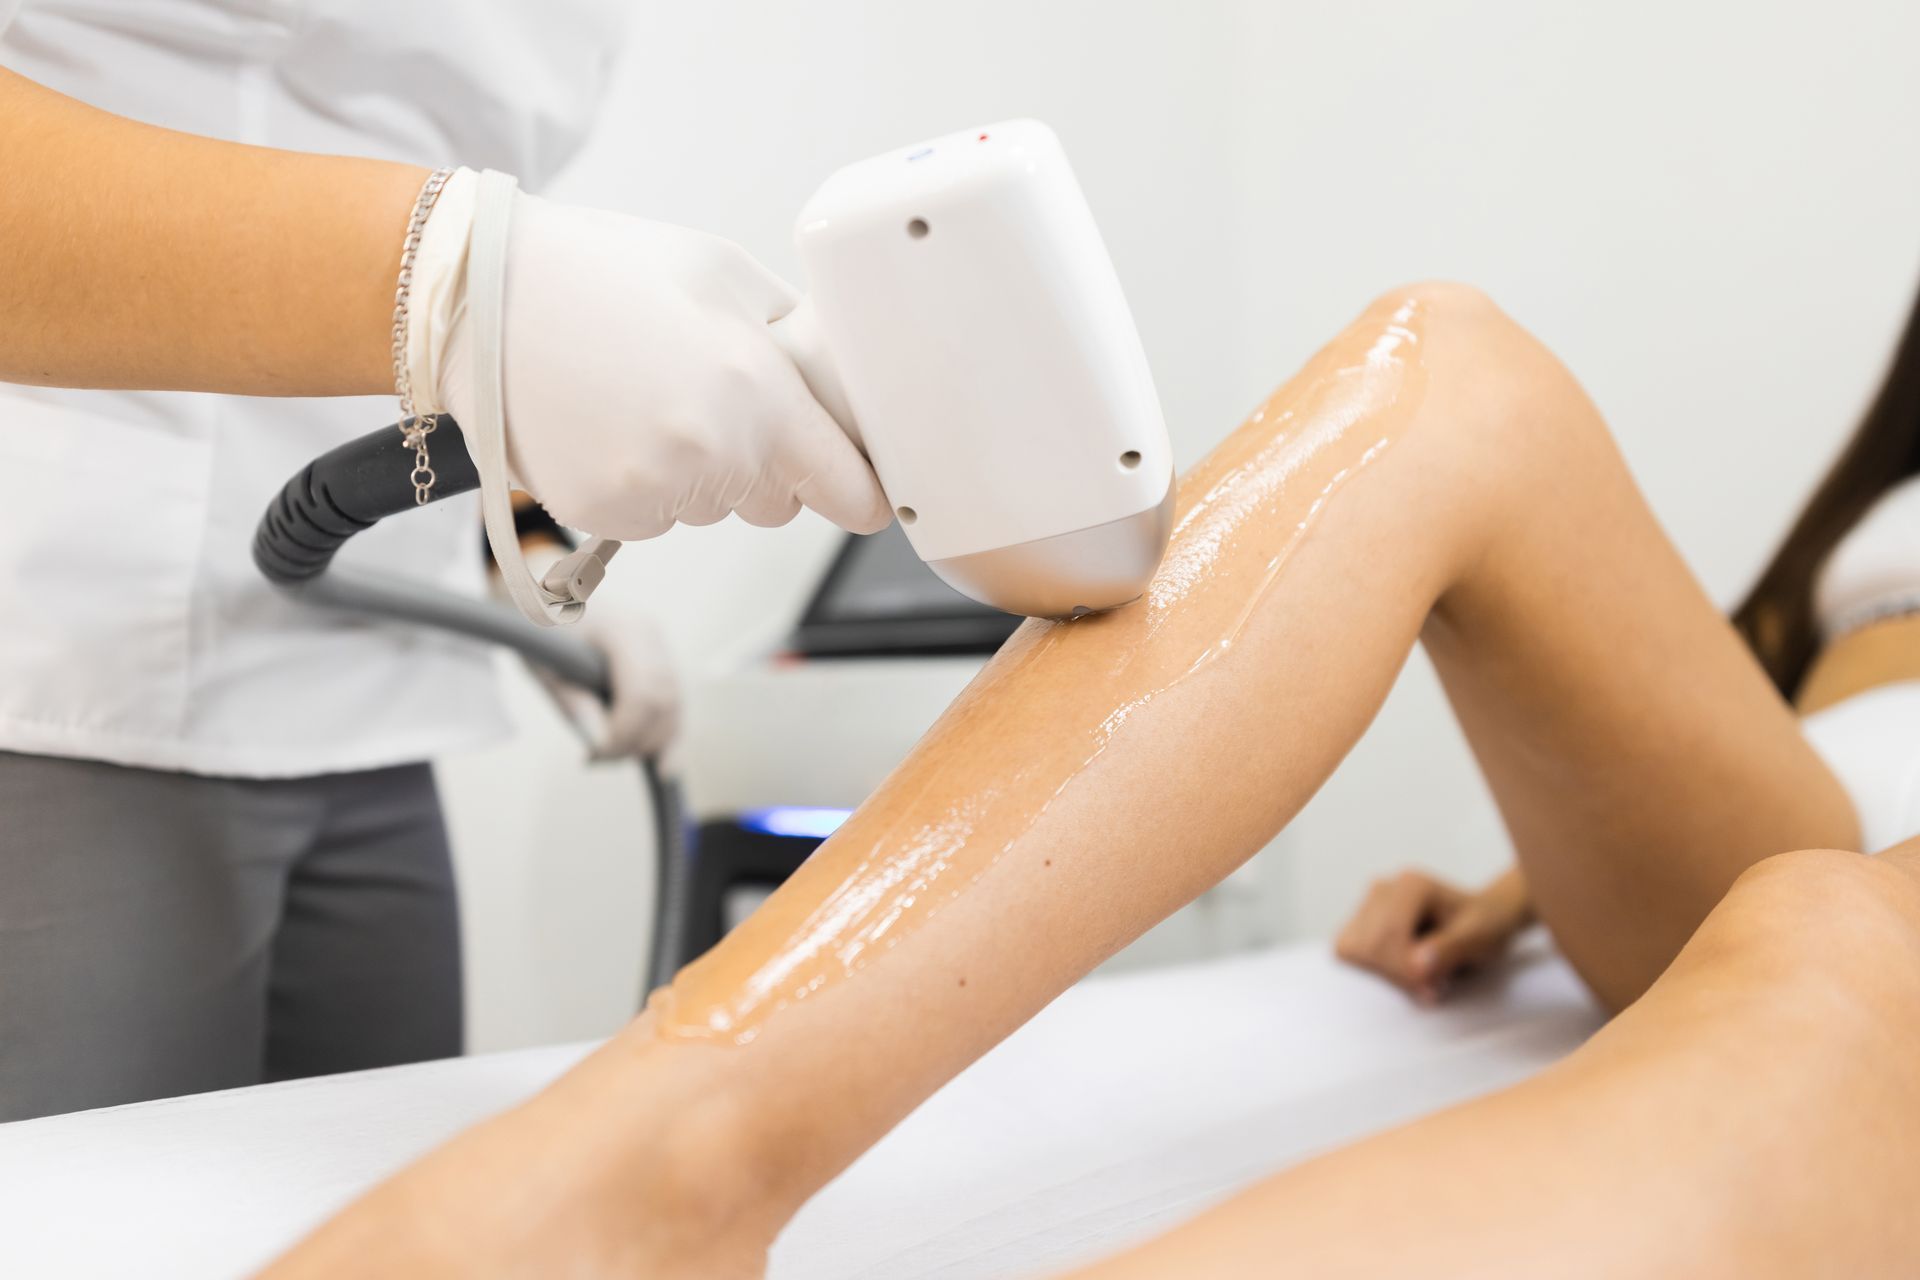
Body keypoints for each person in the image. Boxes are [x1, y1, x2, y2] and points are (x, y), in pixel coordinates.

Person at [262, 281, 1920, 1277]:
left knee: (1832, 940)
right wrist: (1548, 870)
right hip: (1804, 815)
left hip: (1863, 885)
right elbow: (1775, 710)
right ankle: (658, 1163)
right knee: (1453, 371)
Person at [0, 1, 887, 1122]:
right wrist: (452, 276)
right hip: (65, 660)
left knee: (384, 1205)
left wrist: (523, 549)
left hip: (380, 686)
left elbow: (460, 219)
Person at [1335, 284, 1920, 1003]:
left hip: (1874, 866)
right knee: (1441, 367)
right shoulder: (1870, 506)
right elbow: (1746, 685)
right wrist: (1509, 899)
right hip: (1792, 822)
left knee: (1461, 368)